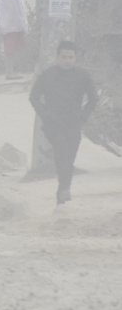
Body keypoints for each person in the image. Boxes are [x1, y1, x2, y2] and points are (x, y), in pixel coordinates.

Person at [30, 41, 99, 205]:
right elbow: (34, 97)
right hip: (53, 123)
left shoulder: (83, 76)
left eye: (70, 57)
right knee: (61, 152)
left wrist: (83, 117)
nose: (67, 60)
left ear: (75, 58)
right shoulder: (48, 74)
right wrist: (45, 114)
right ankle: (63, 191)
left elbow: (93, 98)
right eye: (63, 57)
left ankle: (64, 187)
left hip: (74, 122)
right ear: (57, 57)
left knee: (69, 157)